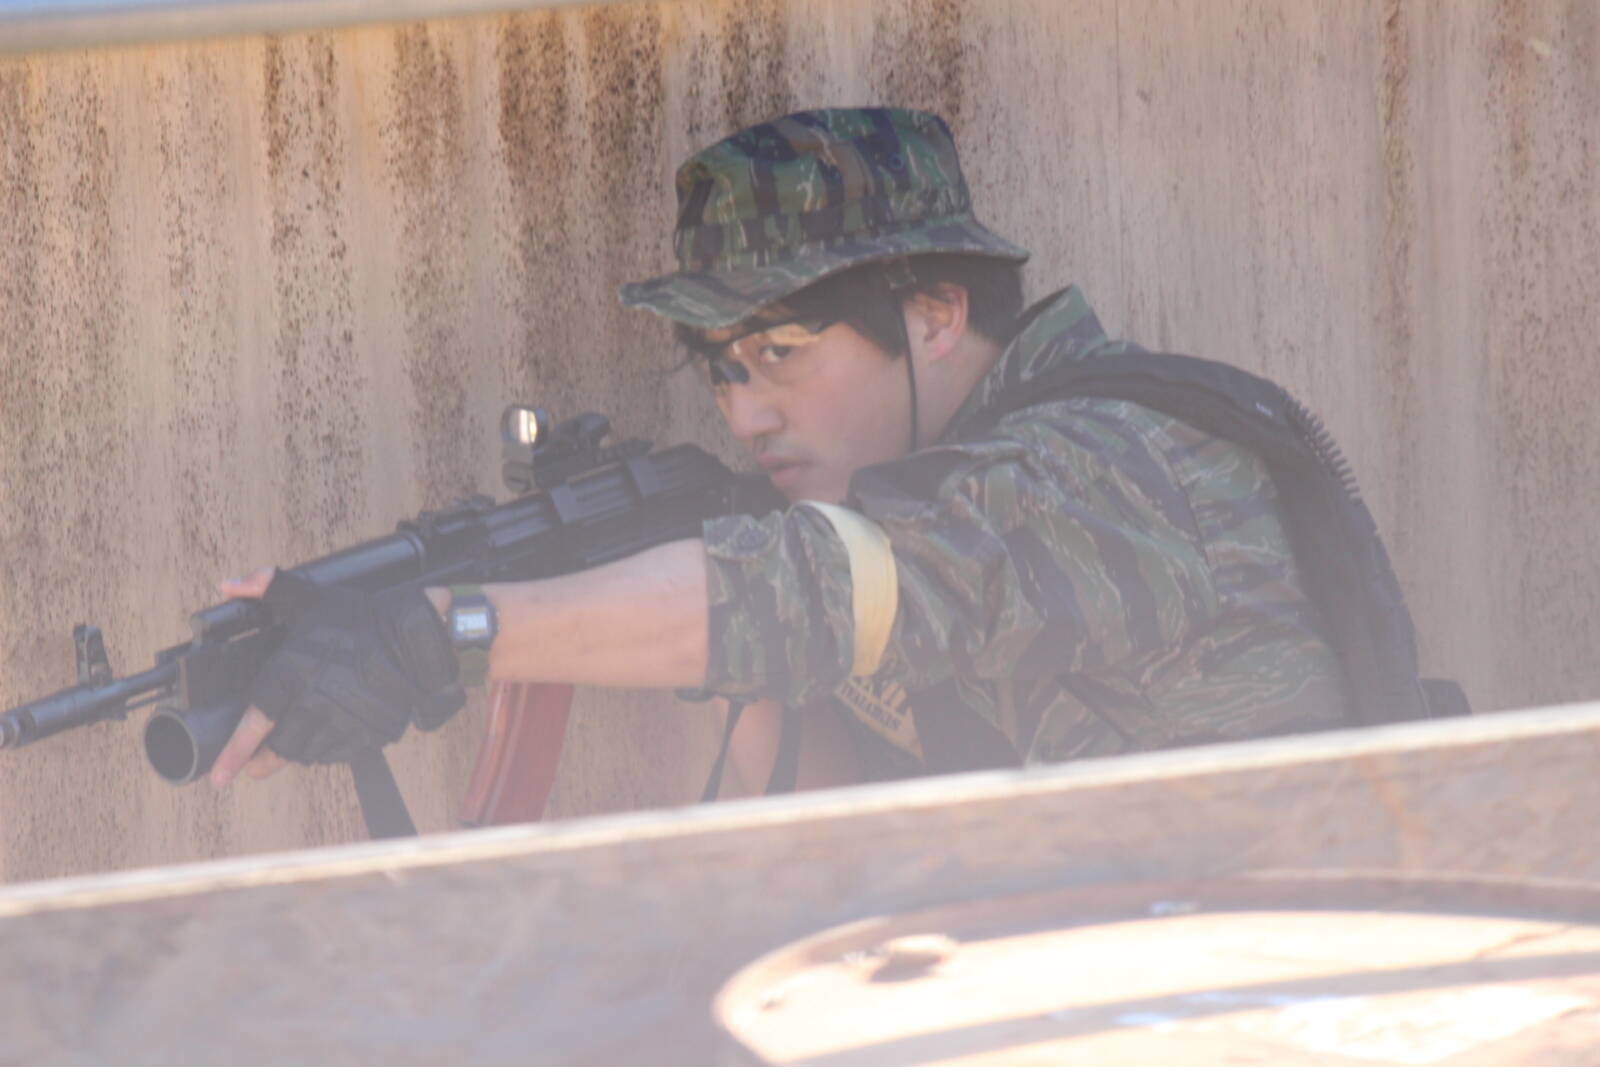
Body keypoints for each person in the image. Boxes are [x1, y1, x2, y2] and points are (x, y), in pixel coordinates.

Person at [210, 107, 1348, 795]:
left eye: (781, 352)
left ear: (936, 315)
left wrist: (442, 631)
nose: (745, 414)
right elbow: (841, 845)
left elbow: (808, 590)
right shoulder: (918, 507)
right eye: (722, 369)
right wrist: (715, 648)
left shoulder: (1104, 467)